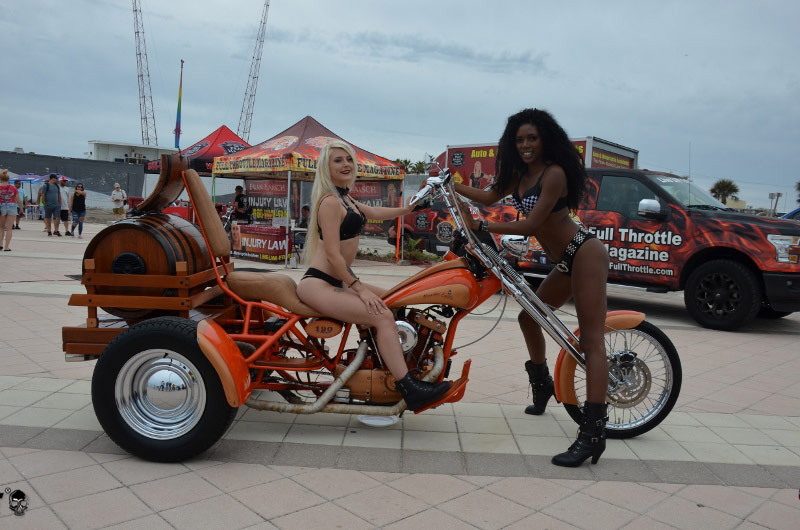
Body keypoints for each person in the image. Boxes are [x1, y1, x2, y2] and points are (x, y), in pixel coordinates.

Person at [454, 108, 610, 467]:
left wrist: (482, 228)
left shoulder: (554, 174)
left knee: (591, 342)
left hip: (584, 253)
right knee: (529, 318)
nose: (525, 145)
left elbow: (531, 225)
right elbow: (488, 197)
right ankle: (543, 386)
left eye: (532, 138)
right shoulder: (520, 175)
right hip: (565, 261)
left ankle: (592, 434)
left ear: (545, 140)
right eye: (519, 139)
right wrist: (449, 184)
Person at [296, 141, 455, 412]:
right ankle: (410, 389)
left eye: (349, 159)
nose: (346, 164)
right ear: (326, 167)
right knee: (381, 315)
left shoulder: (346, 198)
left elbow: (377, 212)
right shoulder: (330, 202)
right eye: (338, 160)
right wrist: (359, 288)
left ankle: (389, 367)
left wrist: (412, 207)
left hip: (335, 281)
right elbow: (333, 255)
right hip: (318, 283)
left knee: (397, 299)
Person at [0, 170, 24, 251]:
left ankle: (0, 244)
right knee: (9, 228)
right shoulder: (13, 188)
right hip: (12, 206)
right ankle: (6, 247)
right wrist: (21, 210)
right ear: (8, 179)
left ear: (0, 179)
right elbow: (19, 200)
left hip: (1, 207)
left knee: (1, 227)